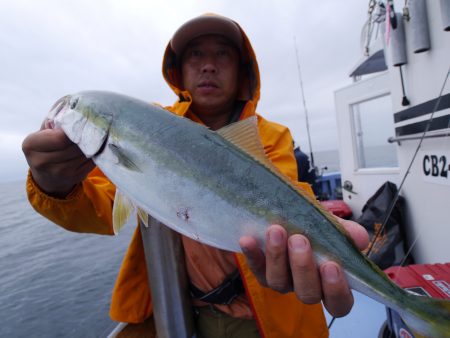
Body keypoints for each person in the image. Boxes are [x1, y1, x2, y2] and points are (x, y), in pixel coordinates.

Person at [22, 14, 369, 338]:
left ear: (241, 68)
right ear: (179, 69)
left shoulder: (271, 137)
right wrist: (53, 184)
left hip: (270, 321)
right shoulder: (146, 126)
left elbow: (283, 209)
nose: (208, 65)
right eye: (195, 54)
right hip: (186, 317)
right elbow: (100, 205)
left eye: (222, 54)